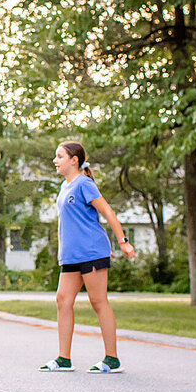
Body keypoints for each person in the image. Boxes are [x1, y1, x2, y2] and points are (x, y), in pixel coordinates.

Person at [39, 141, 135, 373]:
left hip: (91, 252)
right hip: (71, 255)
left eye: (59, 156)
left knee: (98, 301)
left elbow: (107, 212)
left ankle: (112, 359)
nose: (55, 160)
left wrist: (123, 242)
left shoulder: (84, 184)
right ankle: (64, 358)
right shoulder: (64, 186)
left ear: (74, 160)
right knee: (63, 300)